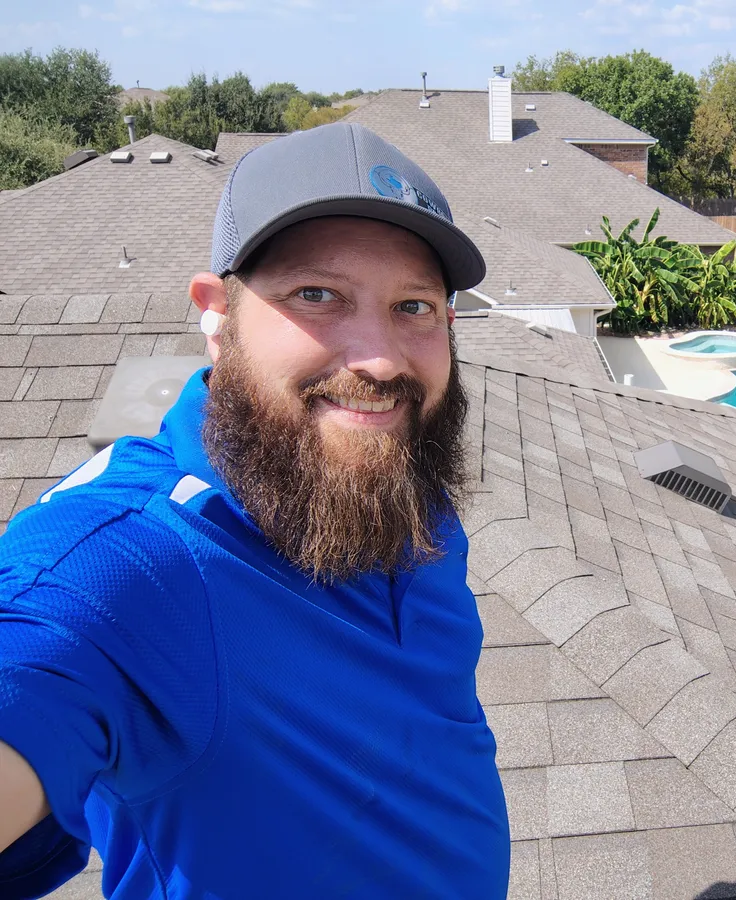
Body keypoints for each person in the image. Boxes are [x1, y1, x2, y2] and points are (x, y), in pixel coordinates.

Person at [0, 122, 510, 898]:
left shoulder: (399, 481)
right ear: (216, 314)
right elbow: (38, 662)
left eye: (414, 306)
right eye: (317, 295)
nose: (379, 359)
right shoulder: (133, 561)